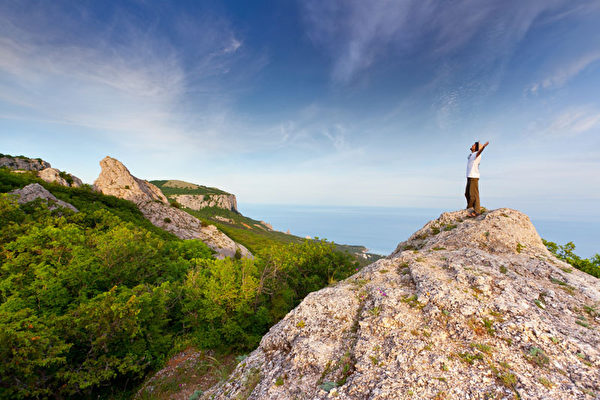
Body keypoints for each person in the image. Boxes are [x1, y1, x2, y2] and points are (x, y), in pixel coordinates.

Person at [465, 141, 489, 217]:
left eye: (473, 145)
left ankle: (477, 211)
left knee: (474, 195)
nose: (472, 145)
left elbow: (479, 152)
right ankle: (470, 208)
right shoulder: (471, 155)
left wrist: (483, 147)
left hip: (474, 177)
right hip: (469, 176)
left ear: (476, 148)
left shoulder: (476, 154)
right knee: (467, 194)